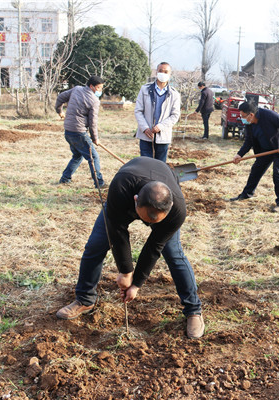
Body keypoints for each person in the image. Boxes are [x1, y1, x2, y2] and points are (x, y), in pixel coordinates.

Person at [56, 157, 205, 339]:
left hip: (162, 184)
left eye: (153, 222)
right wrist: (126, 272)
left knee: (174, 254)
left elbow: (154, 246)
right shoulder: (120, 188)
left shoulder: (177, 210)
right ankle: (85, 299)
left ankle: (193, 310)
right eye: (144, 218)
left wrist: (136, 284)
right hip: (125, 194)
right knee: (96, 245)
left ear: (170, 207)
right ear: (135, 201)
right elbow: (118, 234)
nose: (146, 224)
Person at [229, 101, 279, 211]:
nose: (241, 118)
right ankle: (246, 194)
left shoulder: (268, 115)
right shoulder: (249, 124)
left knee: (278, 172)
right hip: (265, 150)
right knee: (256, 170)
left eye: (243, 116)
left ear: (251, 115)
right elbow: (248, 141)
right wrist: (239, 154)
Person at [56, 75, 106, 188]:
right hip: (79, 132)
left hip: (68, 131)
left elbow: (60, 97)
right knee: (93, 157)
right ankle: (99, 183)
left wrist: (59, 111)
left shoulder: (76, 89)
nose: (100, 91)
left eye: (102, 88)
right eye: (99, 88)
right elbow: (93, 122)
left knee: (77, 156)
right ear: (91, 86)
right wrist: (95, 138)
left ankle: (65, 178)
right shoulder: (94, 100)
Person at [134, 62, 181, 162]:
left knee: (160, 165)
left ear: (170, 75)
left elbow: (175, 115)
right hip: (146, 134)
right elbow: (138, 110)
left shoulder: (174, 94)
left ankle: (158, 179)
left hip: (163, 135)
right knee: (145, 163)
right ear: (156, 72)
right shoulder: (145, 89)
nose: (163, 74)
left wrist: (160, 127)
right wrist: (145, 128)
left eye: (166, 72)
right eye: (160, 71)